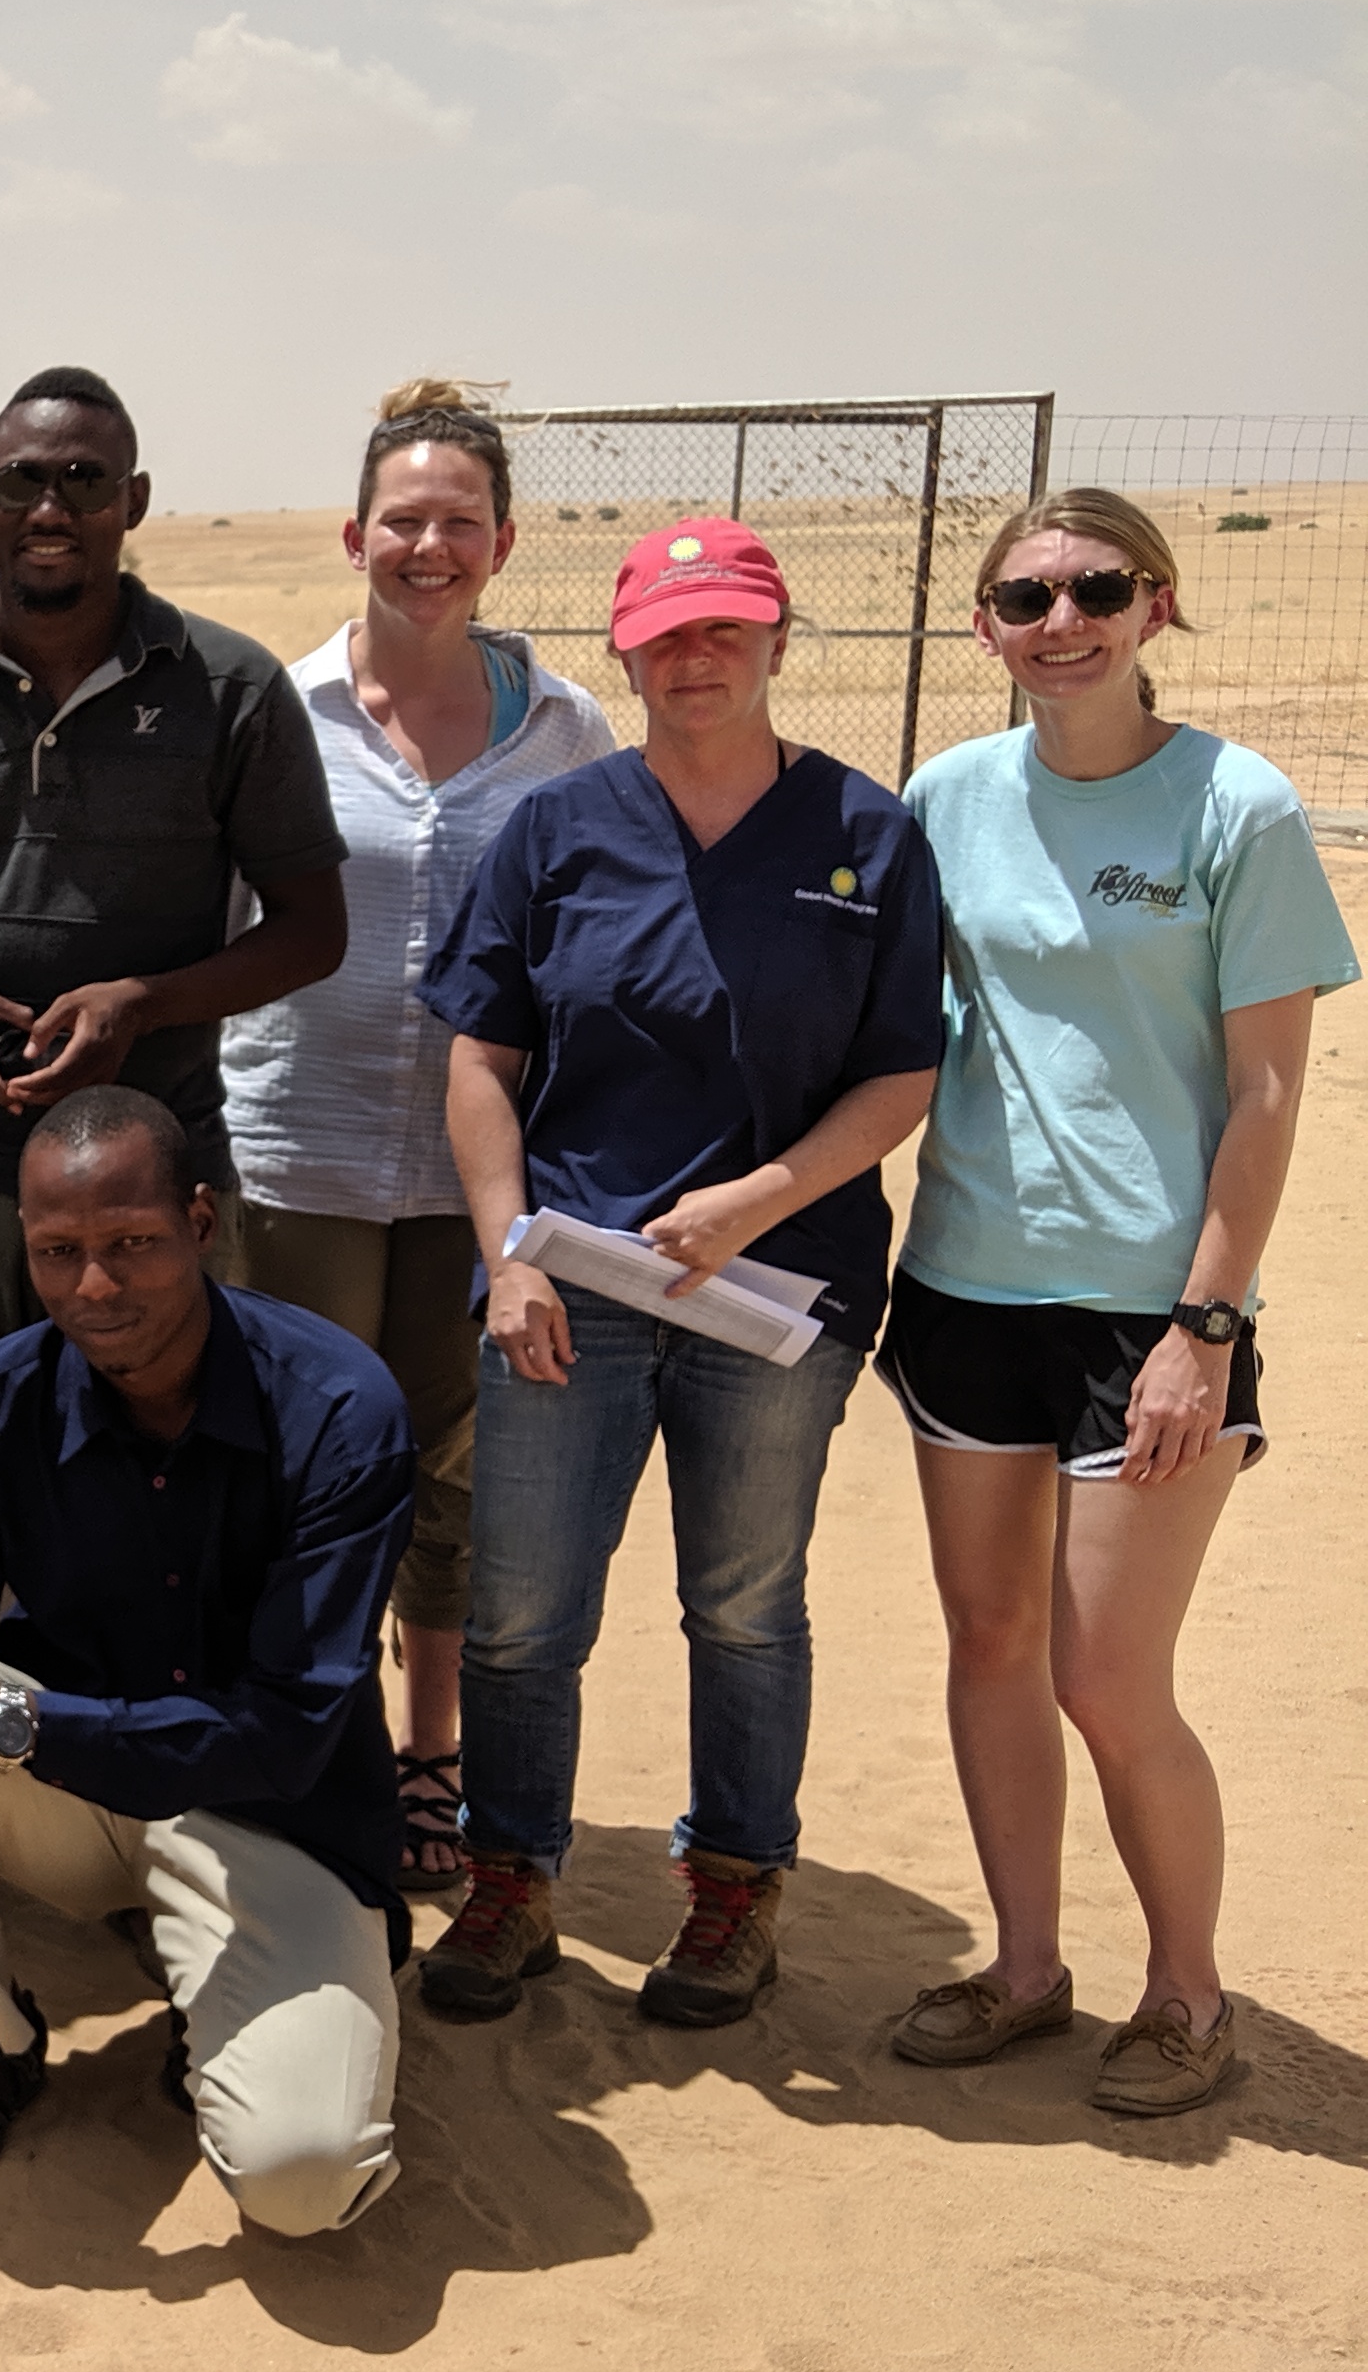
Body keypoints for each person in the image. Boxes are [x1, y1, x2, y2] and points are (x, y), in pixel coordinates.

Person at [0, 365, 347, 1953]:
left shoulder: (232, 688)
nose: (53, 511)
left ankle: (135, 1816)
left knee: (159, 1498)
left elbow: (312, 929)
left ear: (133, 502)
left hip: (144, 1199)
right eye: (25, 484)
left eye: (85, 483)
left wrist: (141, 1006)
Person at [416, 517, 947, 2030]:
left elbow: (904, 1071)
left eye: (727, 629)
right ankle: (512, 1883)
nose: (697, 658)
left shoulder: (868, 833)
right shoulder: (558, 828)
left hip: (776, 1305)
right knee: (523, 1611)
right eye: (667, 634)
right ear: (626, 652)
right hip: (569, 1291)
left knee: (742, 1602)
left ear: (779, 643)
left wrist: (755, 1204)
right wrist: (508, 1253)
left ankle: (733, 1893)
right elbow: (480, 1058)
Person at [877, 490, 1355, 2115]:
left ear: (1153, 604)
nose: (1058, 619)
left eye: (1094, 588)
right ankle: (1023, 1966)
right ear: (984, 625)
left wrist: (1200, 1330)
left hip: (1149, 1318)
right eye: (1024, 596)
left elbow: (1270, 1093)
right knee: (991, 1641)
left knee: (1106, 1677)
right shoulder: (940, 797)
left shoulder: (1241, 805)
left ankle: (1186, 1993)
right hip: (958, 1287)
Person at [0, 1090, 414, 2227]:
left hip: (276, 1822)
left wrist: (13, 1724)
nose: (96, 1286)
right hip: (78, 1797)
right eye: (59, 1252)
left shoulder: (339, 1411)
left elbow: (287, 1733)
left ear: (200, 1220)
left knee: (303, 2184)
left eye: (131, 1244)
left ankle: (267, 1982)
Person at [217, 381, 613, 1888]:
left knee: (454, 1478)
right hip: (291, 1158)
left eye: (459, 522)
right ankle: (318, 1745)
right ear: (353, 536)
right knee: (307, 1467)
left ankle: (431, 1755)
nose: (428, 546)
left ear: (502, 543)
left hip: (480, 1176)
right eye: (403, 521)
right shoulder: (277, 711)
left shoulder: (568, 736)